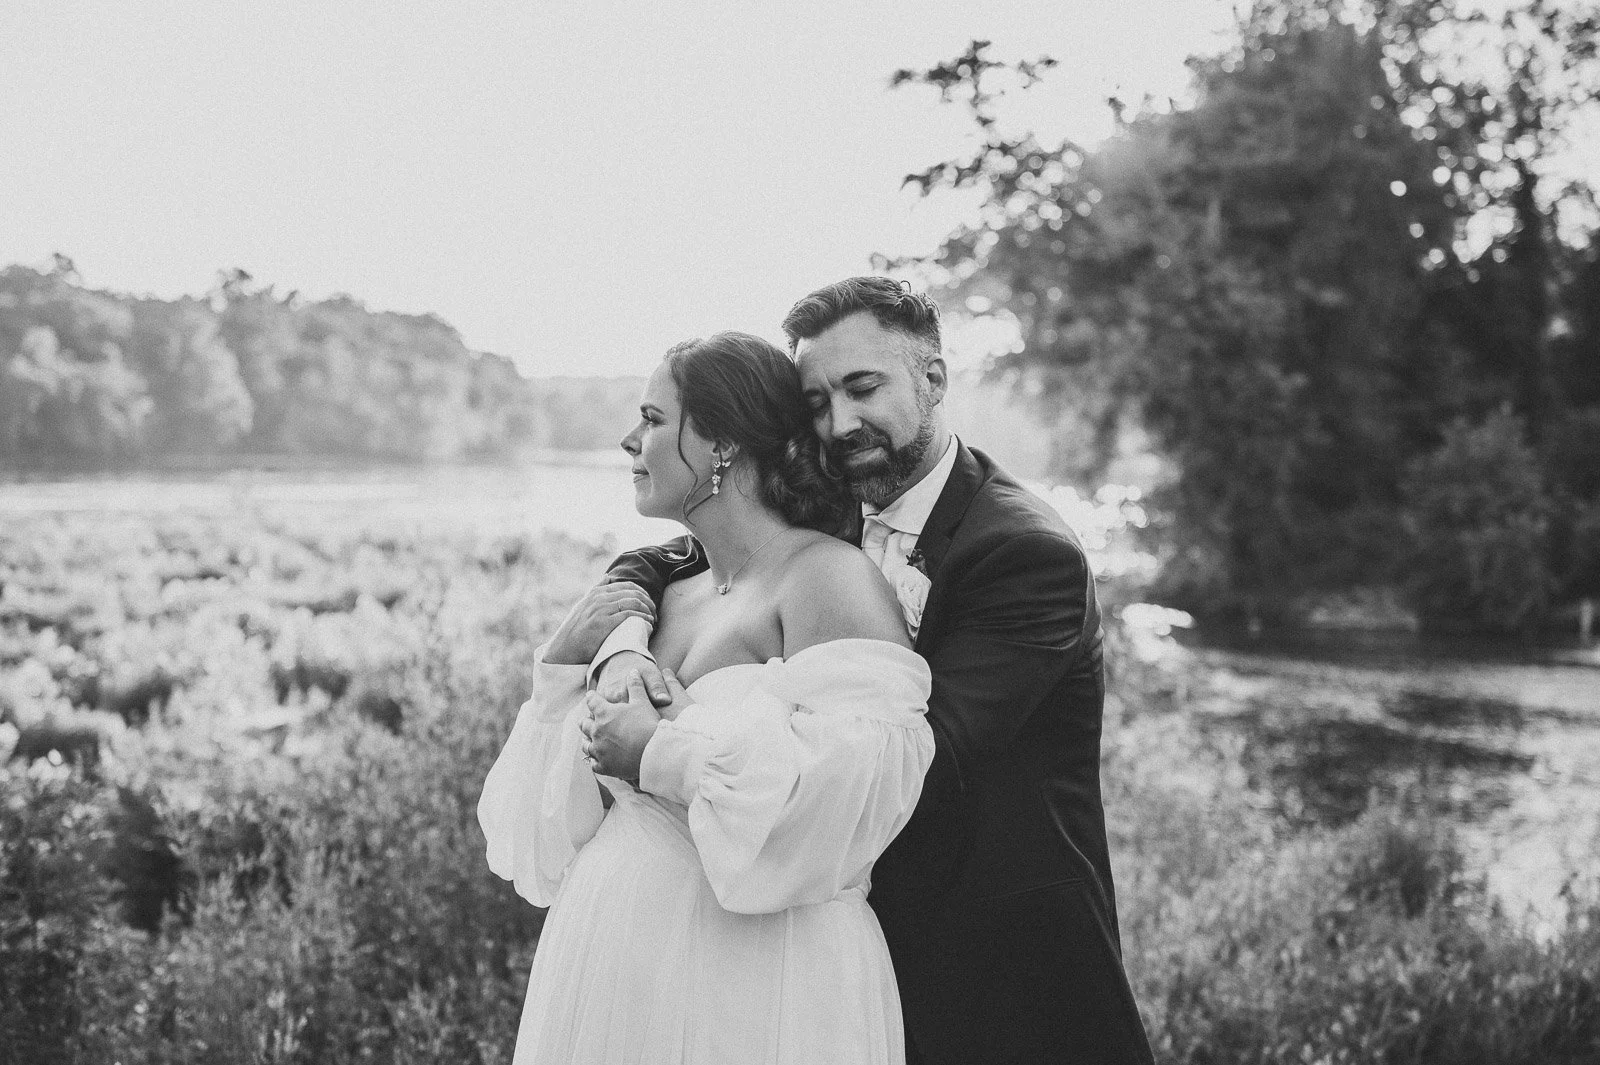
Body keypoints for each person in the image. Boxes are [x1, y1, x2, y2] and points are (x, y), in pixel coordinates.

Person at [591, 278, 1155, 1064]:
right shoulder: (831, 503)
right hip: (836, 938)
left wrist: (677, 748)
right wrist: (623, 639)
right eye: (817, 401)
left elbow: (920, 766)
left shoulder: (1026, 554)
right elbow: (664, 558)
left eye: (863, 388)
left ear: (933, 379)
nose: (840, 423)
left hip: (999, 970)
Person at [478, 331, 935, 1065]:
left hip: (757, 981)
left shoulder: (828, 580)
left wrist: (660, 751)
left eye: (654, 419)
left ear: (723, 442)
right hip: (610, 961)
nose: (631, 440)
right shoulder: (660, 596)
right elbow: (535, 838)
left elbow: (851, 804)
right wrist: (564, 658)